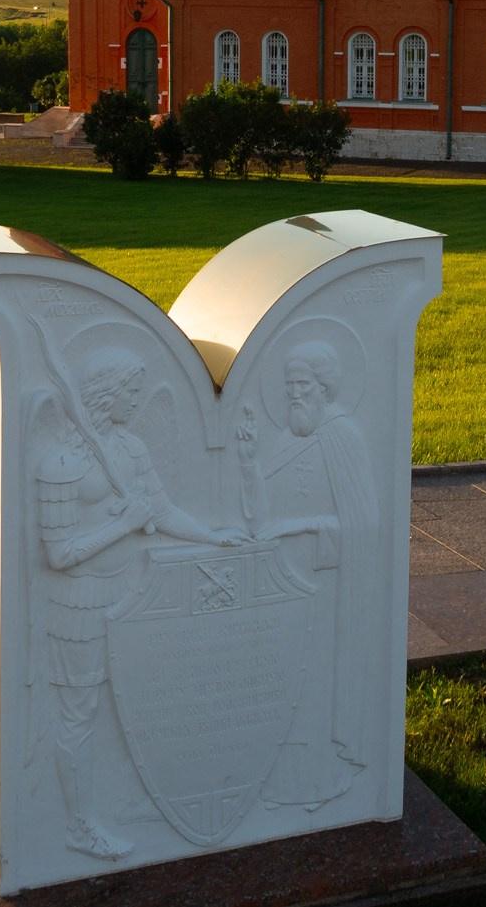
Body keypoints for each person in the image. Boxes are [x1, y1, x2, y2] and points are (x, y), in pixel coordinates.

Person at [36, 345, 239, 859]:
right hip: (78, 606)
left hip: (131, 594)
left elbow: (164, 510)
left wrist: (212, 537)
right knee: (81, 712)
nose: (137, 400)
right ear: (106, 393)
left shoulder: (130, 450)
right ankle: (77, 824)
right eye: (130, 391)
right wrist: (121, 524)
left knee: (133, 699)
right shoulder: (59, 463)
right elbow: (59, 554)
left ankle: (128, 798)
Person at [236, 342, 379, 810]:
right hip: (281, 592)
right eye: (288, 386)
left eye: (302, 385)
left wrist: (300, 526)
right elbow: (258, 522)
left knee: (314, 687)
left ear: (325, 388)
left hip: (326, 594)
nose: (293, 395)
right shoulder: (286, 440)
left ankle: (321, 784)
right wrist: (249, 461)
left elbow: (362, 528)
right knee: (281, 689)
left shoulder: (344, 438)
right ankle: (279, 781)